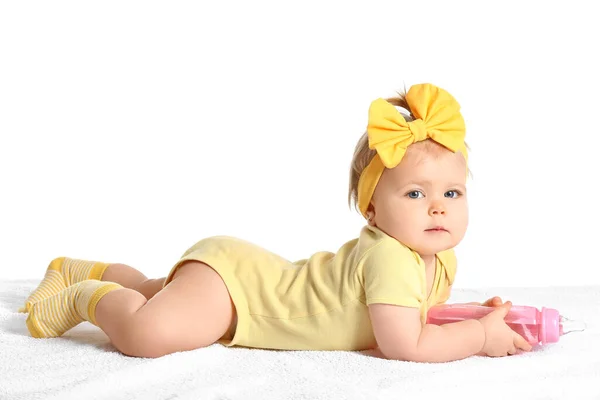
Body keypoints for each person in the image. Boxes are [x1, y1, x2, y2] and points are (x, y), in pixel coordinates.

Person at [20, 83, 532, 362]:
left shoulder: (438, 259)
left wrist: (470, 314)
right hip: (242, 295)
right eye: (416, 193)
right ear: (372, 209)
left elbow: (412, 315)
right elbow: (405, 344)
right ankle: (82, 294)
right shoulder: (388, 256)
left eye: (452, 193)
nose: (437, 207)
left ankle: (87, 268)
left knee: (161, 292)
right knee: (149, 333)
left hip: (243, 275)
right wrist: (478, 339)